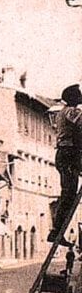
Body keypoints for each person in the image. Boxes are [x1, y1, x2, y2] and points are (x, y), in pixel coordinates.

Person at [50, 84, 82, 248]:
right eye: (78, 96)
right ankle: (56, 231)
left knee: (68, 194)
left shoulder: (63, 112)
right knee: (68, 194)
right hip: (69, 154)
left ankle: (56, 231)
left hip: (66, 154)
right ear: (73, 98)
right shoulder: (71, 111)